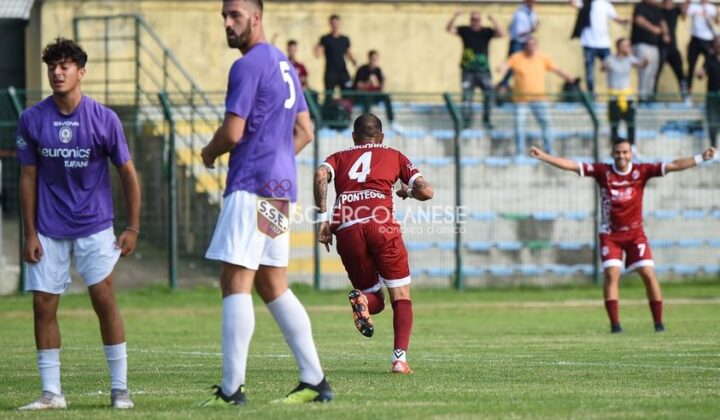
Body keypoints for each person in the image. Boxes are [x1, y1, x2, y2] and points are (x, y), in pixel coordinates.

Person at [199, 0, 332, 406]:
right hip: (279, 188)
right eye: (224, 16)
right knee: (272, 284)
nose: (227, 22)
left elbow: (233, 132)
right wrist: (277, 158)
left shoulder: (248, 65)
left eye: (235, 16)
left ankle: (231, 390)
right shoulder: (284, 64)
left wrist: (209, 152)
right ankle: (314, 380)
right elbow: (305, 130)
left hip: (253, 184)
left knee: (235, 281)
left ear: (256, 18)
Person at [16, 37, 140, 410]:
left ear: (81, 72)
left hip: (95, 226)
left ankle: (120, 389)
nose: (57, 72)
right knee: (43, 305)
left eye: (65, 66)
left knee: (104, 300)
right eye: (52, 66)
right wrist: (30, 233)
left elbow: (128, 173)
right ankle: (51, 393)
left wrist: (133, 227)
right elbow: (27, 178)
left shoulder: (105, 119)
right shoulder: (31, 119)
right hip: (48, 228)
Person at [530, 140, 717, 333]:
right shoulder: (603, 172)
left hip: (635, 234)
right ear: (612, 153)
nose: (622, 156)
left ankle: (659, 323)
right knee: (612, 274)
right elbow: (572, 165)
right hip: (610, 235)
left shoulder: (642, 171)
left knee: (648, 273)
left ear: (631, 154)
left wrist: (701, 158)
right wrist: (544, 156)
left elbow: (672, 165)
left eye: (625, 152)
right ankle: (615, 325)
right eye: (618, 152)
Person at [313, 113, 434, 374]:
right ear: (381, 136)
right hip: (382, 225)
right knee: (400, 295)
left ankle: (363, 300)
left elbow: (321, 174)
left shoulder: (338, 157)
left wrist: (323, 219)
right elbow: (426, 191)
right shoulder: (394, 155)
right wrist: (407, 192)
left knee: (375, 299)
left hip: (346, 228)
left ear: (354, 137)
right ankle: (399, 360)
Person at [496, 37, 577, 156]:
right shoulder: (517, 57)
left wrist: (569, 77)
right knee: (519, 125)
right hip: (521, 100)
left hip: (539, 99)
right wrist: (501, 68)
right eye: (528, 44)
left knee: (546, 124)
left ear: (536, 46)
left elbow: (557, 69)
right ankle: (520, 152)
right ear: (525, 46)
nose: (531, 47)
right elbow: (506, 65)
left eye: (533, 44)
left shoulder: (543, 58)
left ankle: (549, 150)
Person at [446, 11, 504, 128]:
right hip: (468, 70)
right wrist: (455, 16)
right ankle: (466, 122)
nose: (475, 21)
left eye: (477, 19)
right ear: (470, 20)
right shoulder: (465, 30)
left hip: (483, 70)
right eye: (473, 19)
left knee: (489, 94)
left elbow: (501, 34)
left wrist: (493, 20)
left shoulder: (486, 32)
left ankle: (486, 120)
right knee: (467, 97)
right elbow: (449, 29)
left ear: (480, 21)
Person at [570, 0, 629, 95]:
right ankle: (592, 95)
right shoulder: (586, 3)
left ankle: (615, 92)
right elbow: (573, 3)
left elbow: (616, 18)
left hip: (604, 44)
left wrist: (626, 20)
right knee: (590, 74)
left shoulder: (606, 5)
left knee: (612, 69)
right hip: (589, 44)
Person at [602, 38, 649, 147]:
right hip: (614, 97)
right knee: (614, 124)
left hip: (627, 97)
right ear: (619, 47)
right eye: (626, 45)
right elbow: (603, 67)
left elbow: (640, 65)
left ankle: (632, 146)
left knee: (630, 123)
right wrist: (605, 66)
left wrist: (646, 62)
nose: (628, 48)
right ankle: (615, 146)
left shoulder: (630, 59)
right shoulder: (610, 59)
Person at [631, 0, 670, 102]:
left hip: (654, 45)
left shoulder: (657, 9)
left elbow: (663, 22)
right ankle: (642, 98)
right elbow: (639, 20)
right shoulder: (640, 6)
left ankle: (649, 97)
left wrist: (666, 34)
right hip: (642, 44)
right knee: (645, 71)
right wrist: (653, 29)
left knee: (653, 72)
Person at [315, 14, 357, 104]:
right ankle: (328, 111)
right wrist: (317, 49)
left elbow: (349, 52)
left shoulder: (344, 39)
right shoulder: (325, 39)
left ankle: (346, 110)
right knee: (329, 95)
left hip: (343, 71)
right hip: (330, 72)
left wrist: (353, 60)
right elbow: (319, 53)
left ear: (340, 23)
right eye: (333, 23)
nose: (335, 25)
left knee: (348, 93)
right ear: (330, 24)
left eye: (336, 23)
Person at [498, 0, 539, 90]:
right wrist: (532, 29)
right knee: (512, 66)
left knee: (528, 66)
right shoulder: (520, 14)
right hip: (518, 42)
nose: (534, 3)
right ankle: (503, 86)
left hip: (526, 43)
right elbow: (519, 33)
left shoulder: (533, 14)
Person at [656, 0, 690, 101]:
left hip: (673, 47)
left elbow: (686, 6)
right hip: (661, 47)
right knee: (656, 74)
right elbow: (661, 23)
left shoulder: (675, 11)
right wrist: (665, 33)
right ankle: (652, 98)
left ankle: (686, 97)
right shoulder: (658, 11)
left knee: (681, 73)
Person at [352, 50, 396, 125]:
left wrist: (383, 80)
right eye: (373, 59)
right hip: (364, 95)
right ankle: (365, 122)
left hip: (375, 95)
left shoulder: (378, 70)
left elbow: (380, 87)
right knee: (367, 97)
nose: (374, 61)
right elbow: (358, 85)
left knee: (386, 96)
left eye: (376, 59)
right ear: (369, 59)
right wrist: (368, 83)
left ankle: (391, 121)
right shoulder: (362, 69)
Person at [685, 0, 719, 93]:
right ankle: (688, 91)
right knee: (691, 66)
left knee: (712, 62)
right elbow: (685, 14)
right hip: (695, 39)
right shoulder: (693, 6)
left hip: (708, 40)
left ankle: (704, 72)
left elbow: (716, 22)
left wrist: (711, 16)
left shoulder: (712, 8)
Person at [697, 36, 720, 147]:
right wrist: (700, 74)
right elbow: (701, 73)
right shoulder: (710, 59)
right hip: (712, 97)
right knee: (712, 123)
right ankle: (713, 147)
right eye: (717, 44)